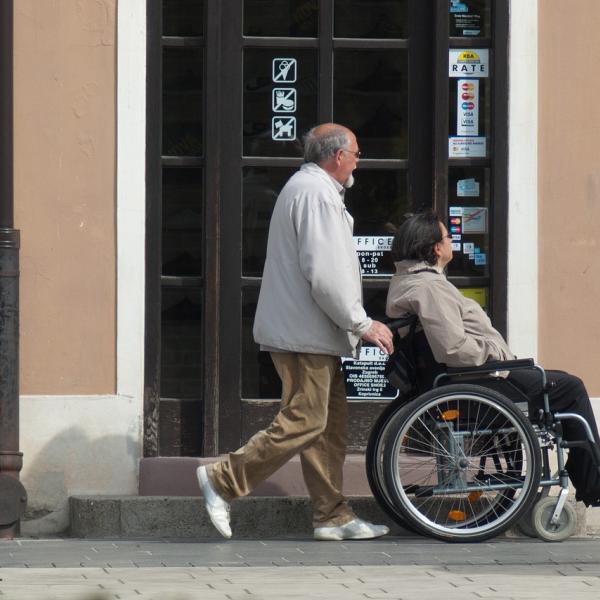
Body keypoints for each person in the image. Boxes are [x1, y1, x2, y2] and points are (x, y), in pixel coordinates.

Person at [197, 123, 394, 540]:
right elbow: (325, 273)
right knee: (306, 421)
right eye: (356, 153)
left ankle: (332, 515)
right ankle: (222, 479)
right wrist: (361, 322)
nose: (359, 161)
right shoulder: (316, 194)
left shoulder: (311, 190)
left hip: (310, 331)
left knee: (327, 426)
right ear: (337, 156)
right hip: (305, 333)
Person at [386, 211, 600, 506]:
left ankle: (589, 477)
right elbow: (453, 349)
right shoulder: (429, 288)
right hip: (476, 380)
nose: (451, 242)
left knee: (559, 383)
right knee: (570, 388)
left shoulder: (411, 282)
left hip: (468, 380)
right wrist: (496, 355)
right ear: (436, 248)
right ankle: (593, 484)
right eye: (448, 237)